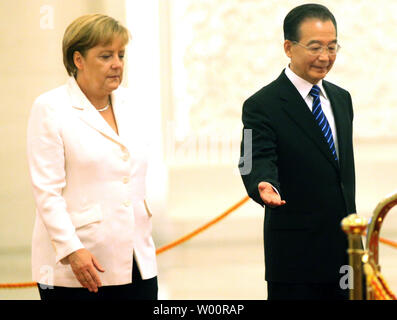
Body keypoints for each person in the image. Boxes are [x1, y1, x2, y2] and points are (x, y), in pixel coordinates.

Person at [27, 14, 158, 300]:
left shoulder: (132, 103)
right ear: (78, 60)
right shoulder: (50, 108)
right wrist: (72, 249)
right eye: (105, 56)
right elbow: (47, 191)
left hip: (138, 257)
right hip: (78, 263)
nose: (117, 64)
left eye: (121, 55)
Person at [238, 4, 356, 300]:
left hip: (345, 253)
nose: (325, 57)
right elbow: (251, 158)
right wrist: (261, 183)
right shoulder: (260, 105)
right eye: (315, 47)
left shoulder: (342, 100)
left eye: (332, 47)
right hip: (295, 260)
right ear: (289, 48)